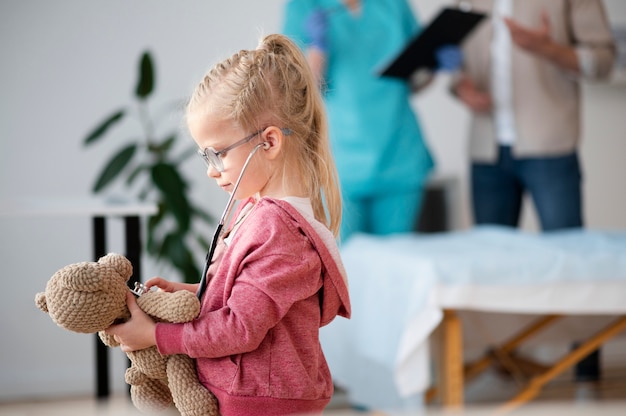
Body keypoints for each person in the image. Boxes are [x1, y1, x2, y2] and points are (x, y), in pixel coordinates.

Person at [106, 34, 351, 416]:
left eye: (217, 153)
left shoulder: (278, 230)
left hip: (263, 400)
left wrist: (155, 335)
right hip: (254, 392)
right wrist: (193, 291)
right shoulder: (257, 209)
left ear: (269, 142)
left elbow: (239, 328)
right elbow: (244, 298)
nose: (210, 170)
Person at [282, 0, 461, 242]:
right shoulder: (304, 7)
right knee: (344, 266)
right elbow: (296, 94)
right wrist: (317, 49)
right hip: (340, 162)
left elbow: (415, 81)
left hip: (399, 153)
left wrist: (433, 64)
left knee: (395, 262)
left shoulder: (394, 5)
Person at [451, 0, 615, 230]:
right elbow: (452, 54)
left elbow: (605, 60)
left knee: (567, 251)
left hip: (549, 145)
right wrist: (460, 87)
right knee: (491, 257)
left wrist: (549, 49)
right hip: (485, 149)